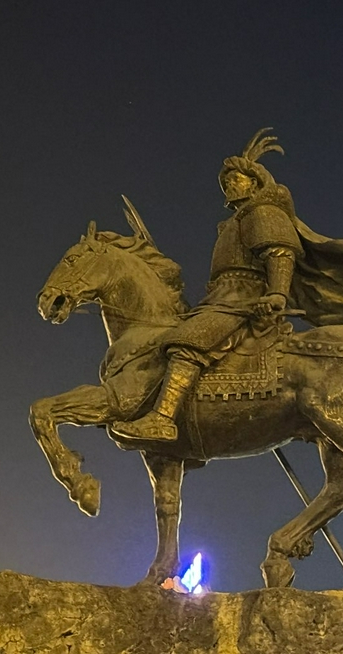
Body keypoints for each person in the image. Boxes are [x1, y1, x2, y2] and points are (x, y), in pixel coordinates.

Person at [111, 129, 301, 442]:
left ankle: (163, 419)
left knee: (188, 342)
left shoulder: (262, 212)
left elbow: (279, 252)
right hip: (220, 299)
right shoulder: (232, 223)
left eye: (235, 179)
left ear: (254, 183)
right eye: (226, 182)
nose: (229, 185)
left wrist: (277, 293)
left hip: (242, 300)